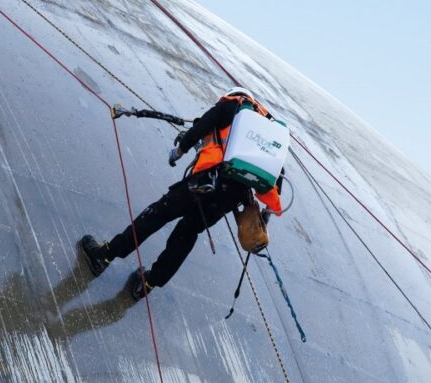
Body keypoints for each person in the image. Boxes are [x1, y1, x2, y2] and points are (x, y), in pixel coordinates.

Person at [78, 88, 285, 300]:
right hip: (227, 200)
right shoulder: (267, 130)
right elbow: (277, 176)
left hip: (204, 183)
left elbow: (201, 127)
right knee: (186, 234)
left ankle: (103, 256)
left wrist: (178, 152)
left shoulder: (231, 105)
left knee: (157, 215)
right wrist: (264, 217)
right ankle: (147, 284)